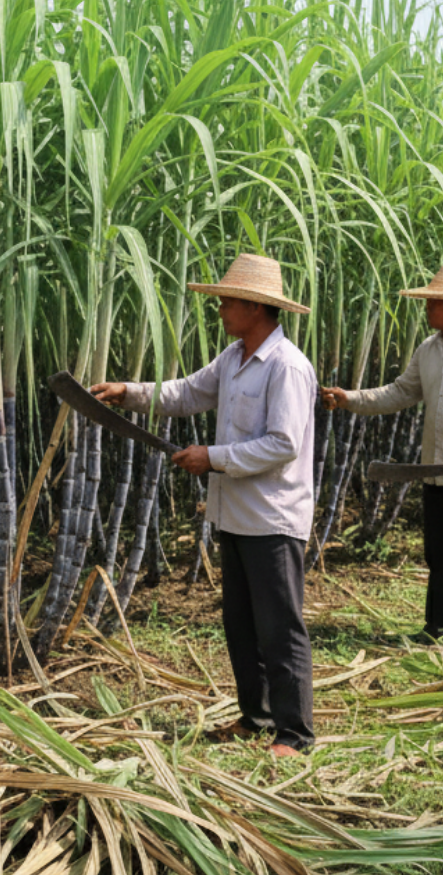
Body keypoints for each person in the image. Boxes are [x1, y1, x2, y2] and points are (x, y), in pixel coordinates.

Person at [91, 253, 318, 757]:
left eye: (227, 299)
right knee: (241, 624)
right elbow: (188, 393)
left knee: (280, 627)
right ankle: (256, 717)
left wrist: (211, 458)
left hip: (272, 518)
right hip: (235, 514)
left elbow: (284, 444)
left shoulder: (287, 367)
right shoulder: (235, 359)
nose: (219, 307)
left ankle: (295, 733)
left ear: (256, 307)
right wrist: (128, 391)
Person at [320, 264, 443, 655]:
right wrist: (351, 398)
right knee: (440, 559)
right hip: (436, 475)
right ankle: (438, 631)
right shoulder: (429, 350)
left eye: (434, 301)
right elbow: (399, 393)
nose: (427, 307)